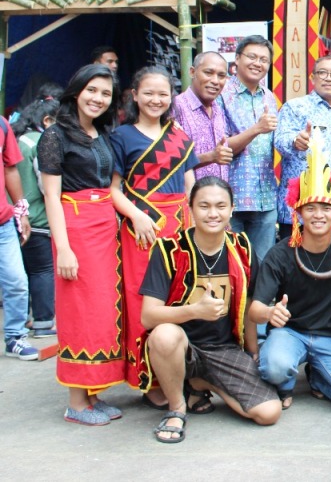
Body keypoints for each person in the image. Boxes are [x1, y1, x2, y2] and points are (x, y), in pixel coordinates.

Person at [140, 177, 281, 443]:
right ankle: (177, 407)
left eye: (220, 206)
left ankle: (201, 382)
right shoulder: (168, 249)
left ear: (231, 209)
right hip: (180, 346)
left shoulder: (242, 248)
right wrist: (194, 311)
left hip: (223, 349)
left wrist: (253, 351)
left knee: (268, 412)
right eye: (204, 206)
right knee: (164, 335)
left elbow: (250, 304)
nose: (213, 213)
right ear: (190, 207)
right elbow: (149, 316)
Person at [252, 135, 331, 414]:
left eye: (326, 208)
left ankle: (319, 376)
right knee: (274, 368)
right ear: (299, 213)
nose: (319, 215)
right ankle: (285, 380)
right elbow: (255, 308)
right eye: (311, 208)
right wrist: (269, 315)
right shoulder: (280, 254)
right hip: (290, 332)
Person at [39, 65, 124, 422]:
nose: (98, 99)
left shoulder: (102, 134)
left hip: (104, 228)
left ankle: (92, 393)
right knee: (81, 312)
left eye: (105, 94)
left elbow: (109, 188)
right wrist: (65, 248)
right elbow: (51, 197)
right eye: (92, 90)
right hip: (75, 230)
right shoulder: (55, 136)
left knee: (103, 312)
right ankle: (76, 404)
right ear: (76, 91)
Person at [110, 66, 197, 402]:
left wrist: (193, 224)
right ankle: (147, 380)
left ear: (171, 97)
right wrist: (136, 216)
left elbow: (190, 188)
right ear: (135, 95)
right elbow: (113, 189)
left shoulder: (180, 137)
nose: (156, 100)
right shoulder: (121, 137)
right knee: (141, 301)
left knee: (178, 296)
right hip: (140, 232)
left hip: (178, 228)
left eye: (163, 94)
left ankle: (177, 377)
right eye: (148, 93)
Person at [274, 54, 331, 235]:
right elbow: (280, 140)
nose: (328, 78)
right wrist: (296, 141)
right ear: (312, 78)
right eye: (322, 73)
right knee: (295, 261)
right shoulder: (295, 107)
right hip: (300, 207)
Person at [222, 35, 279, 262]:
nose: (258, 63)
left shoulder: (270, 98)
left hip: (265, 196)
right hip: (231, 196)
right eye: (252, 57)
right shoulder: (222, 95)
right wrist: (256, 129)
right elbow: (221, 147)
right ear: (237, 59)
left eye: (264, 60)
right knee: (231, 265)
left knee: (263, 266)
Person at [12, 97, 60, 338]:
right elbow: (46, 185)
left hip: (18, 217)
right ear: (47, 121)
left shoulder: (19, 140)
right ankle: (44, 322)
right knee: (44, 271)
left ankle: (31, 318)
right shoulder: (40, 142)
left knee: (29, 271)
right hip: (39, 218)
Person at [1, 110, 35, 360]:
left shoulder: (2, 125)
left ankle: (15, 336)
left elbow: (11, 168)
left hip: (2, 222)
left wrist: (21, 210)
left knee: (17, 281)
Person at [172, 51, 232, 181]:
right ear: (192, 72)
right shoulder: (176, 108)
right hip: (189, 198)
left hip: (219, 196)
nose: (215, 81)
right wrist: (210, 157)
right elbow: (169, 163)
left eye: (221, 75)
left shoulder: (219, 109)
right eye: (208, 73)